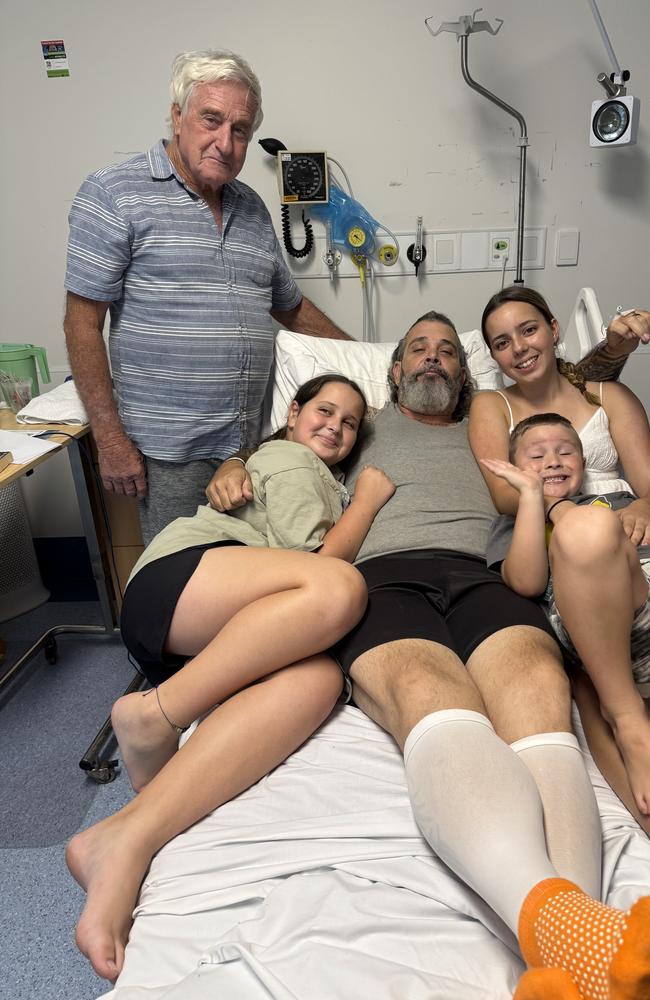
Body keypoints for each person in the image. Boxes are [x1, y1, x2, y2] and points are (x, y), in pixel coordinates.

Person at [210, 311, 650, 1000]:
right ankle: (577, 941)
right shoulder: (361, 426)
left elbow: (574, 388)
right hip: (383, 577)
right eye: (418, 349)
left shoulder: (494, 423)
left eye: (448, 351)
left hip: (485, 574)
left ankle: (571, 954)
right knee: (429, 690)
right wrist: (234, 462)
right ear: (394, 370)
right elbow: (288, 440)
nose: (433, 359)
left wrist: (617, 346)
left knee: (537, 688)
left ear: (465, 370)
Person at [66, 374, 395, 981]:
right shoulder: (293, 459)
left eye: (350, 423)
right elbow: (318, 562)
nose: (337, 428)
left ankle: (123, 840)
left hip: (202, 624)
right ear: (293, 414)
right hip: (177, 580)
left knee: (318, 681)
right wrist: (370, 500)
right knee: (339, 588)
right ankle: (154, 713)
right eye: (325, 410)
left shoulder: (311, 472)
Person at [63, 49, 351, 544]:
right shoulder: (115, 193)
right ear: (177, 116)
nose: (225, 142)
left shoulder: (252, 207)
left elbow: (291, 306)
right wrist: (110, 440)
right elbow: (80, 324)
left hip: (249, 445)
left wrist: (367, 359)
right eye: (211, 120)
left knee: (256, 574)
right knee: (181, 579)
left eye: (240, 129)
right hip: (169, 452)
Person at [483, 412, 650, 830]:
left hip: (642, 596)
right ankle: (627, 717)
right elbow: (525, 581)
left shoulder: (621, 499)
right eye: (537, 456)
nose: (554, 461)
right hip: (597, 634)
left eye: (565, 452)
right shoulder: (517, 520)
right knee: (586, 528)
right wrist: (541, 504)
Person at [469, 286, 650, 543]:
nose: (519, 348)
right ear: (495, 357)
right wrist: (558, 508)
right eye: (502, 343)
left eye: (529, 330)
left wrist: (644, 507)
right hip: (549, 533)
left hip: (623, 526)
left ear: (553, 330)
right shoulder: (491, 405)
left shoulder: (612, 396)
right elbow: (503, 493)